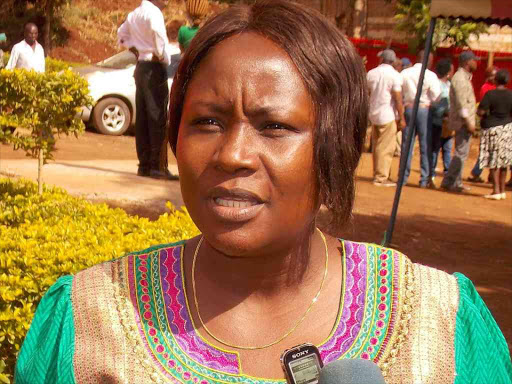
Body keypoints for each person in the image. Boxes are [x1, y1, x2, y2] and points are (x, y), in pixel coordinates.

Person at [15, 1, 512, 383]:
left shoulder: (441, 324)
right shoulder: (86, 320)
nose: (233, 154)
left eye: (273, 126)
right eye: (207, 121)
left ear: (334, 146)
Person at [117, 0, 178, 180]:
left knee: (143, 117)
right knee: (157, 117)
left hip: (142, 66)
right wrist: (161, 54)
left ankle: (144, 165)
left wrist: (134, 49)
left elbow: (121, 34)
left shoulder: (134, 14)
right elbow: (159, 36)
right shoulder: (154, 13)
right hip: (154, 65)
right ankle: (157, 167)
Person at [399, 50, 441, 187]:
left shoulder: (405, 73)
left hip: (408, 107)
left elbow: (399, 90)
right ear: (428, 60)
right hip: (424, 109)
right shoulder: (431, 75)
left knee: (407, 145)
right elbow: (436, 96)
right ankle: (424, 178)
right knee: (425, 144)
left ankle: (403, 178)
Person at [441, 51, 479, 193]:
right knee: (460, 153)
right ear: (467, 62)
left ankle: (453, 181)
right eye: (474, 60)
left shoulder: (463, 77)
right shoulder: (460, 79)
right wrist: (468, 122)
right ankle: (451, 182)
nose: (476, 63)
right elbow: (462, 103)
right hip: (462, 122)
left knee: (461, 152)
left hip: (463, 121)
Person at [367, 49, 406, 187]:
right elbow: (398, 98)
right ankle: (381, 177)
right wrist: (401, 117)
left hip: (374, 114)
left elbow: (368, 93)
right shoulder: (395, 76)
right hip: (387, 114)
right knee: (386, 148)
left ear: (382, 59)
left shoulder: (371, 73)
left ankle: (378, 173)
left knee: (377, 145)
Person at [477, 69, 512, 200]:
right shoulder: (510, 95)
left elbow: (480, 111)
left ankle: (495, 190)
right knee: (504, 161)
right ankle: (502, 190)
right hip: (507, 129)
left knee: (493, 160)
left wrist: (486, 114)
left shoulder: (490, 94)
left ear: (495, 80)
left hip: (492, 129)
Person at [468, 66, 498, 183]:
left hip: (494, 122)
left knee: (492, 150)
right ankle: (476, 173)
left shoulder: (494, 87)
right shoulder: (486, 88)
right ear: (488, 76)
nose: (494, 78)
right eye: (493, 75)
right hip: (489, 122)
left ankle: (489, 175)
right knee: (486, 150)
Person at [428, 58, 455, 187]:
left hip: (447, 123)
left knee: (447, 148)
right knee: (435, 148)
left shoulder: (450, 85)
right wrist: (444, 113)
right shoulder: (437, 84)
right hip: (437, 121)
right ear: (448, 72)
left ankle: (447, 173)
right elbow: (435, 104)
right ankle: (431, 173)